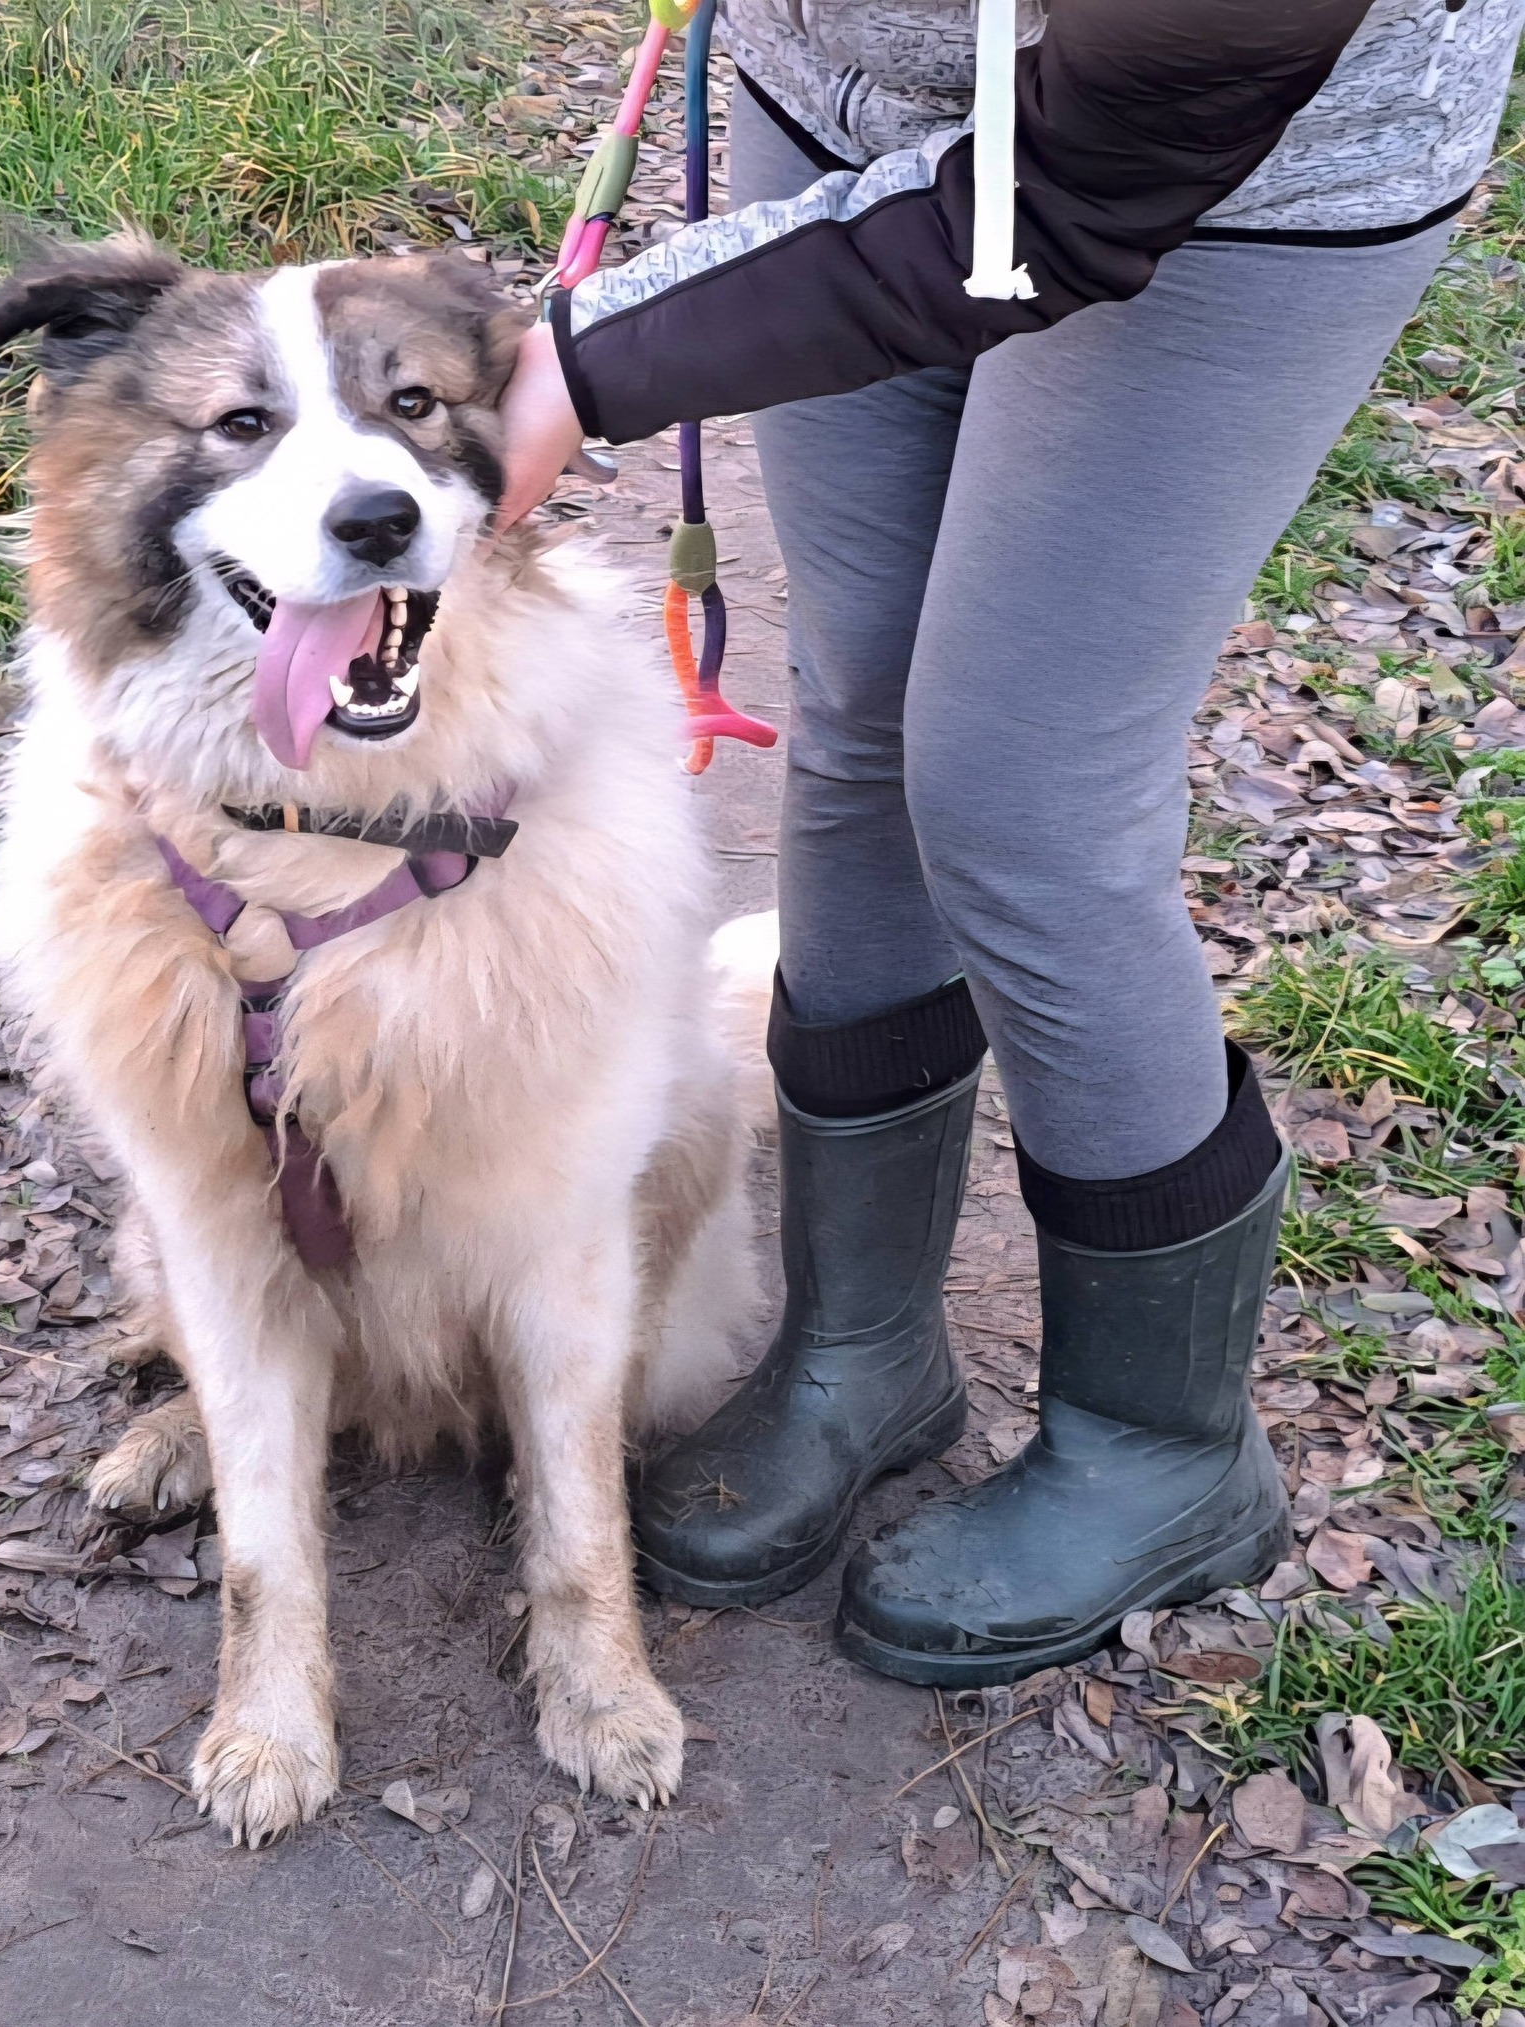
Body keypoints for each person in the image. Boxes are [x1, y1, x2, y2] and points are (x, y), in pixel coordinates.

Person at [499, 0, 1525, 1687]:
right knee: (867, 722)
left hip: (1227, 186)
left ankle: (1165, 1446)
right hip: (834, 95)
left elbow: (1069, 185)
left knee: (1028, 800)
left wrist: (581, 359)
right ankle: (862, 1342)